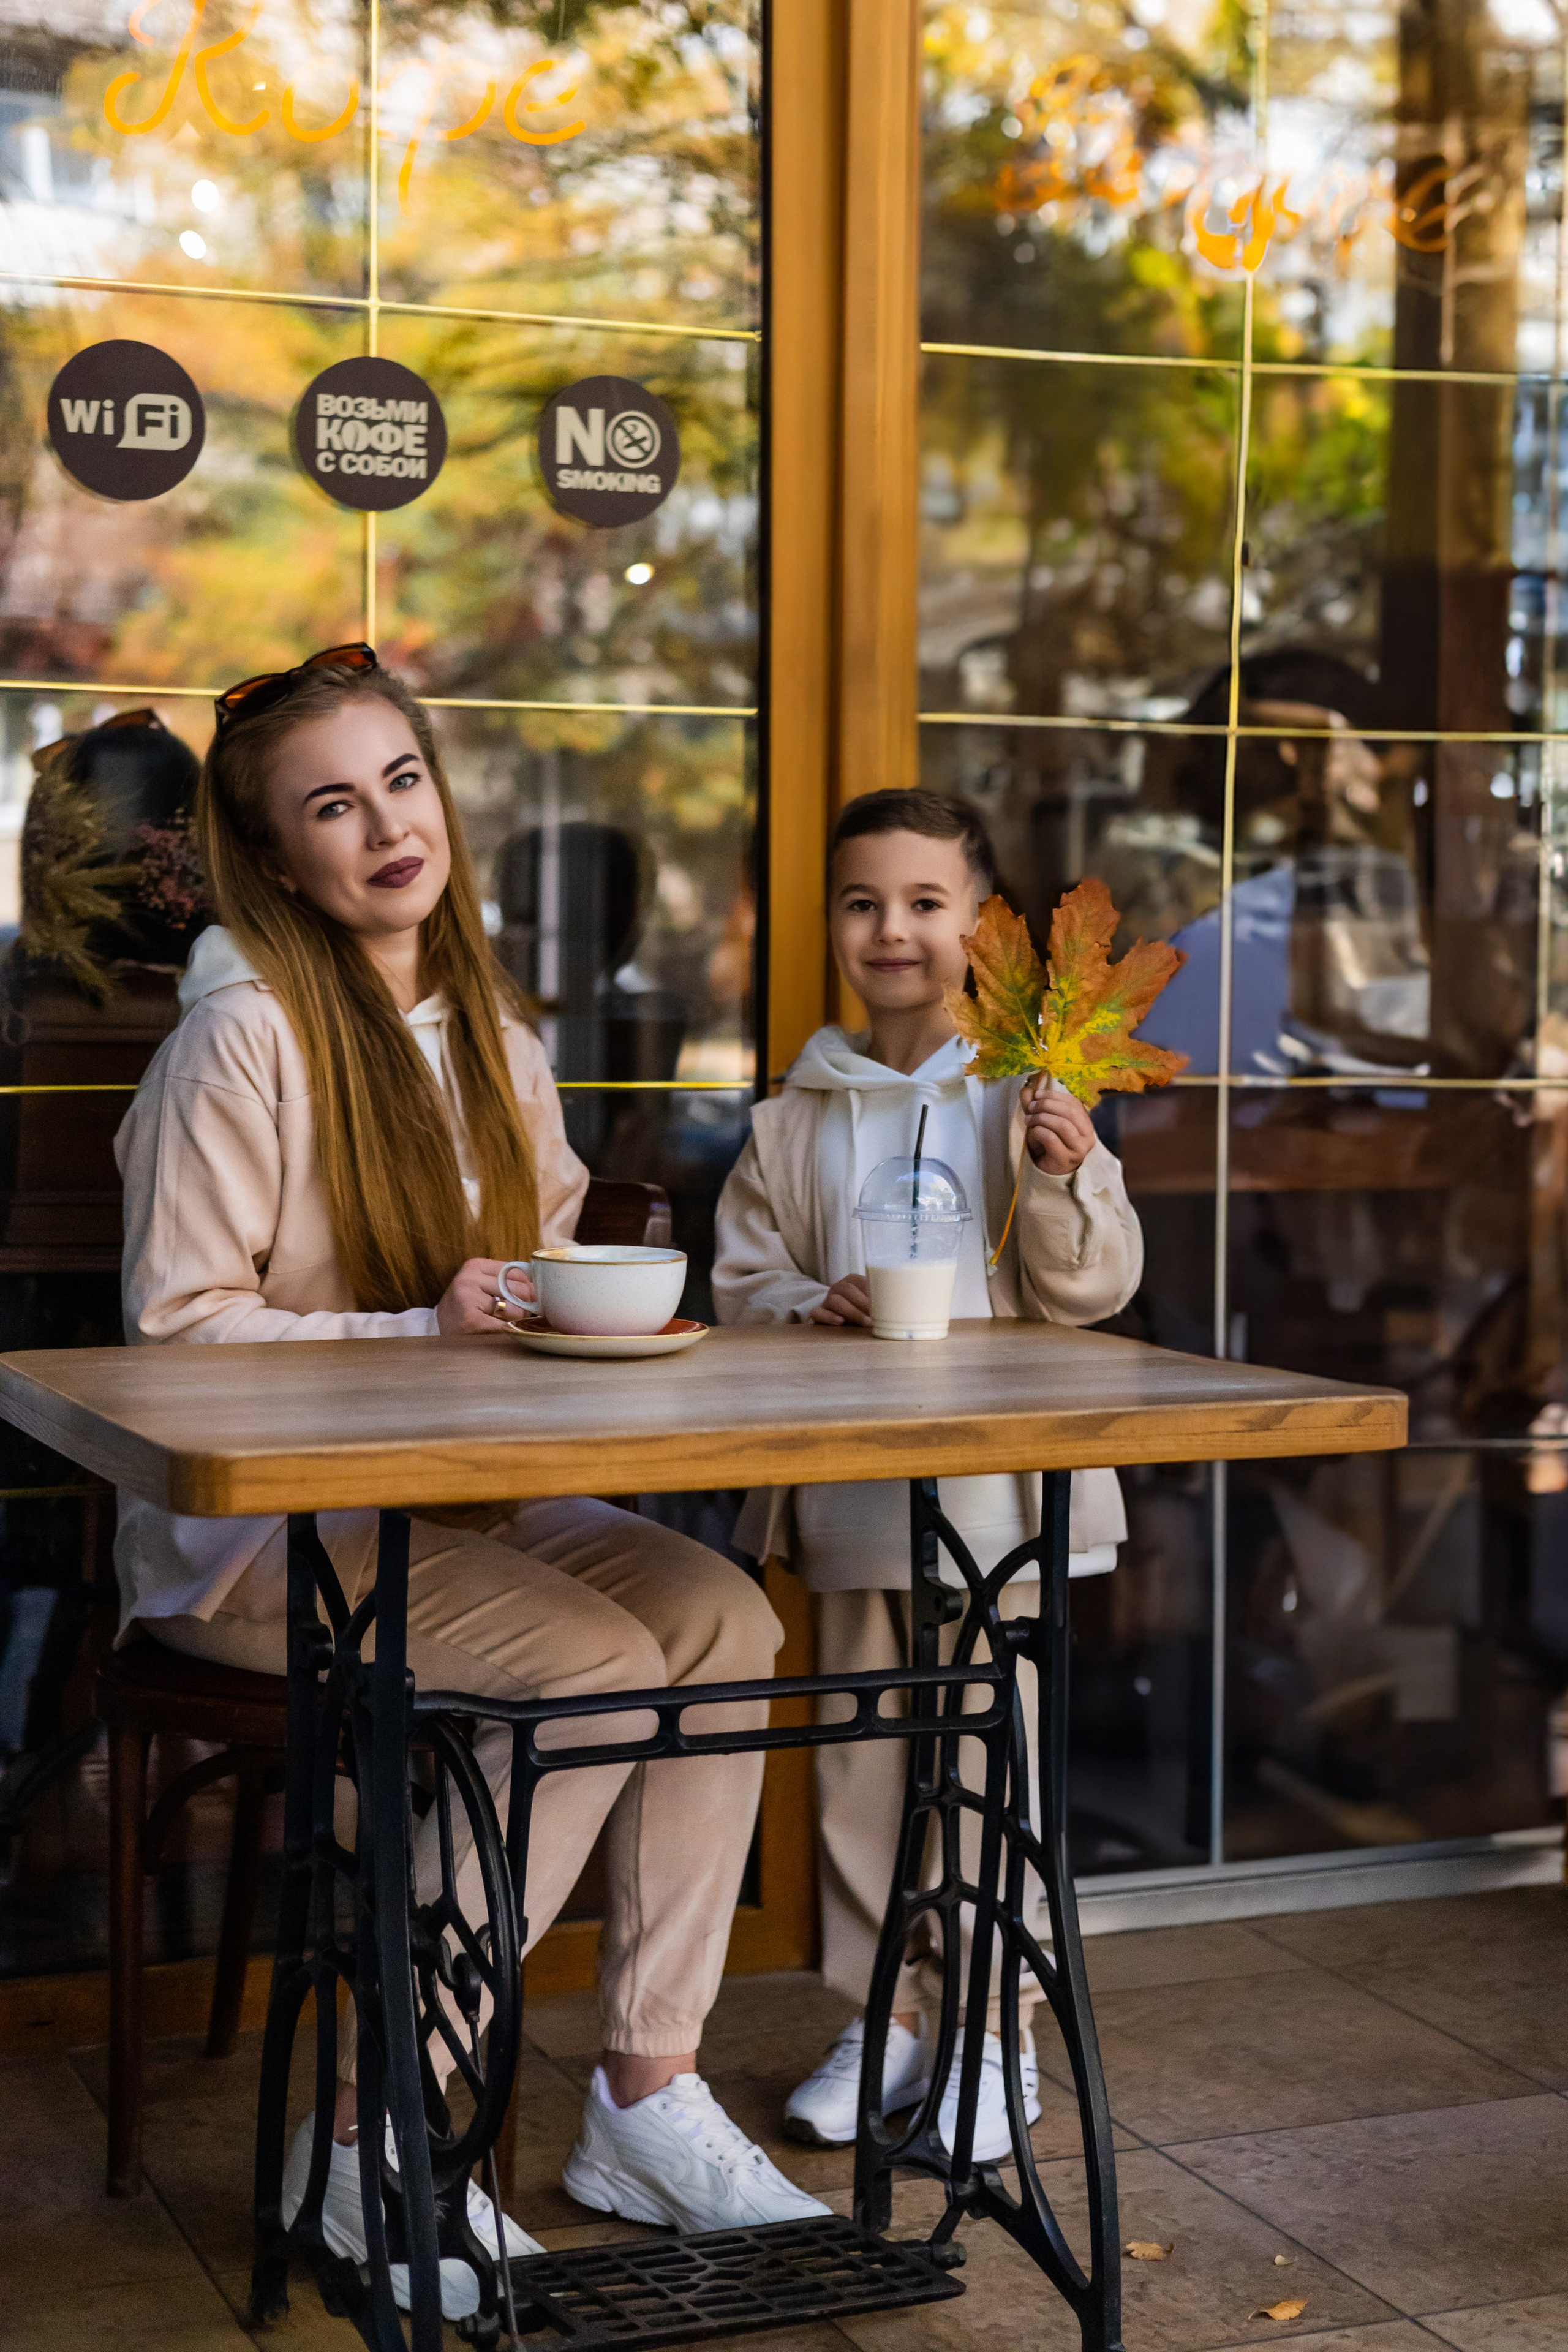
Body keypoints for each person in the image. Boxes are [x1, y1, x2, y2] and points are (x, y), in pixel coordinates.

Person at [113, 644, 827, 2320]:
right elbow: (172, 1344)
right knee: (588, 1672)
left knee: (723, 1619)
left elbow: (553, 1228)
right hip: (253, 1540)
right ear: (280, 860)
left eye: (404, 782)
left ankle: (645, 2103)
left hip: (459, 1497)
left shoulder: (488, 1030)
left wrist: (598, 1276)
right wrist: (415, 1319)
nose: (385, 827)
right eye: (334, 807)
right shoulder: (241, 1042)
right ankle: (372, 2141)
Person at [712, 788, 1143, 2160]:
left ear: (979, 924)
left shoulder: (1020, 1091)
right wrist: (800, 1302)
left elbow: (1087, 1293)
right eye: (860, 902)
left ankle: (989, 2033)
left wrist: (1073, 1176)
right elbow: (741, 1278)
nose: (888, 930)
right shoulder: (796, 1113)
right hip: (847, 1486)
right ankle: (889, 2018)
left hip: (993, 1491)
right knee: (856, 1764)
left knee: (983, 1756)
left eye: (922, 903)